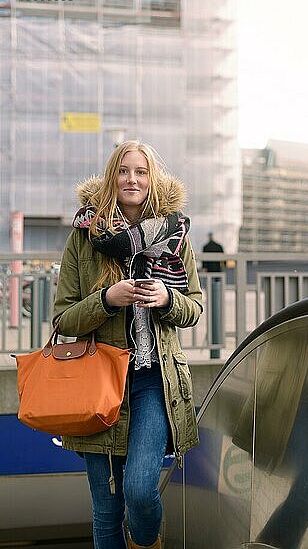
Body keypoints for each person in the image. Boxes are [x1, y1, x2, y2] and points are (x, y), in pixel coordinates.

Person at [53, 140, 203, 549]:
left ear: (152, 179)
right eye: (123, 171)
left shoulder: (176, 235)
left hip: (154, 381)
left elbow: (195, 307)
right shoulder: (84, 237)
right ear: (111, 177)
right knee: (105, 511)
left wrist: (168, 299)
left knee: (139, 490)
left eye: (140, 171)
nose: (131, 179)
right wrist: (107, 299)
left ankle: (148, 541)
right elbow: (62, 317)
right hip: (99, 381)